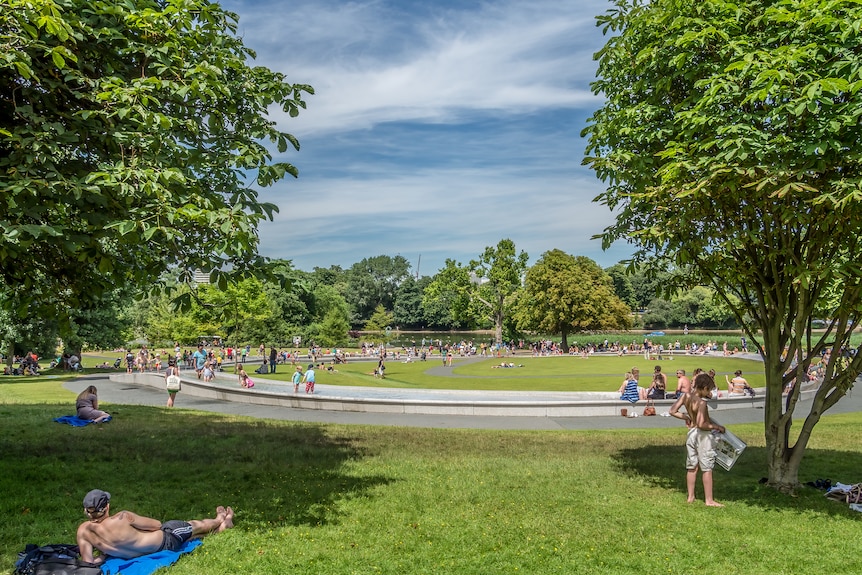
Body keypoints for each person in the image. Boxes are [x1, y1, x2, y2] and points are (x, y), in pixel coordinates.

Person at [76, 489, 234, 564]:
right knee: (191, 526)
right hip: (166, 540)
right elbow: (157, 525)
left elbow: (88, 563)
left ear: (86, 510)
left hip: (143, 553)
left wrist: (103, 556)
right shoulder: (123, 518)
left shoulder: (83, 531)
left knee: (192, 537)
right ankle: (220, 519)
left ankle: (221, 528)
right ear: (107, 507)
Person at [668, 373, 726, 507]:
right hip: (702, 436)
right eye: (709, 390)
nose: (709, 393)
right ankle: (709, 500)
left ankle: (690, 497)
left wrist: (687, 418)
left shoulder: (686, 396)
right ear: (704, 387)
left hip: (691, 434)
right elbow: (702, 424)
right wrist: (717, 427)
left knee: (692, 466)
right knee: (706, 467)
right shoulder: (701, 403)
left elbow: (672, 411)